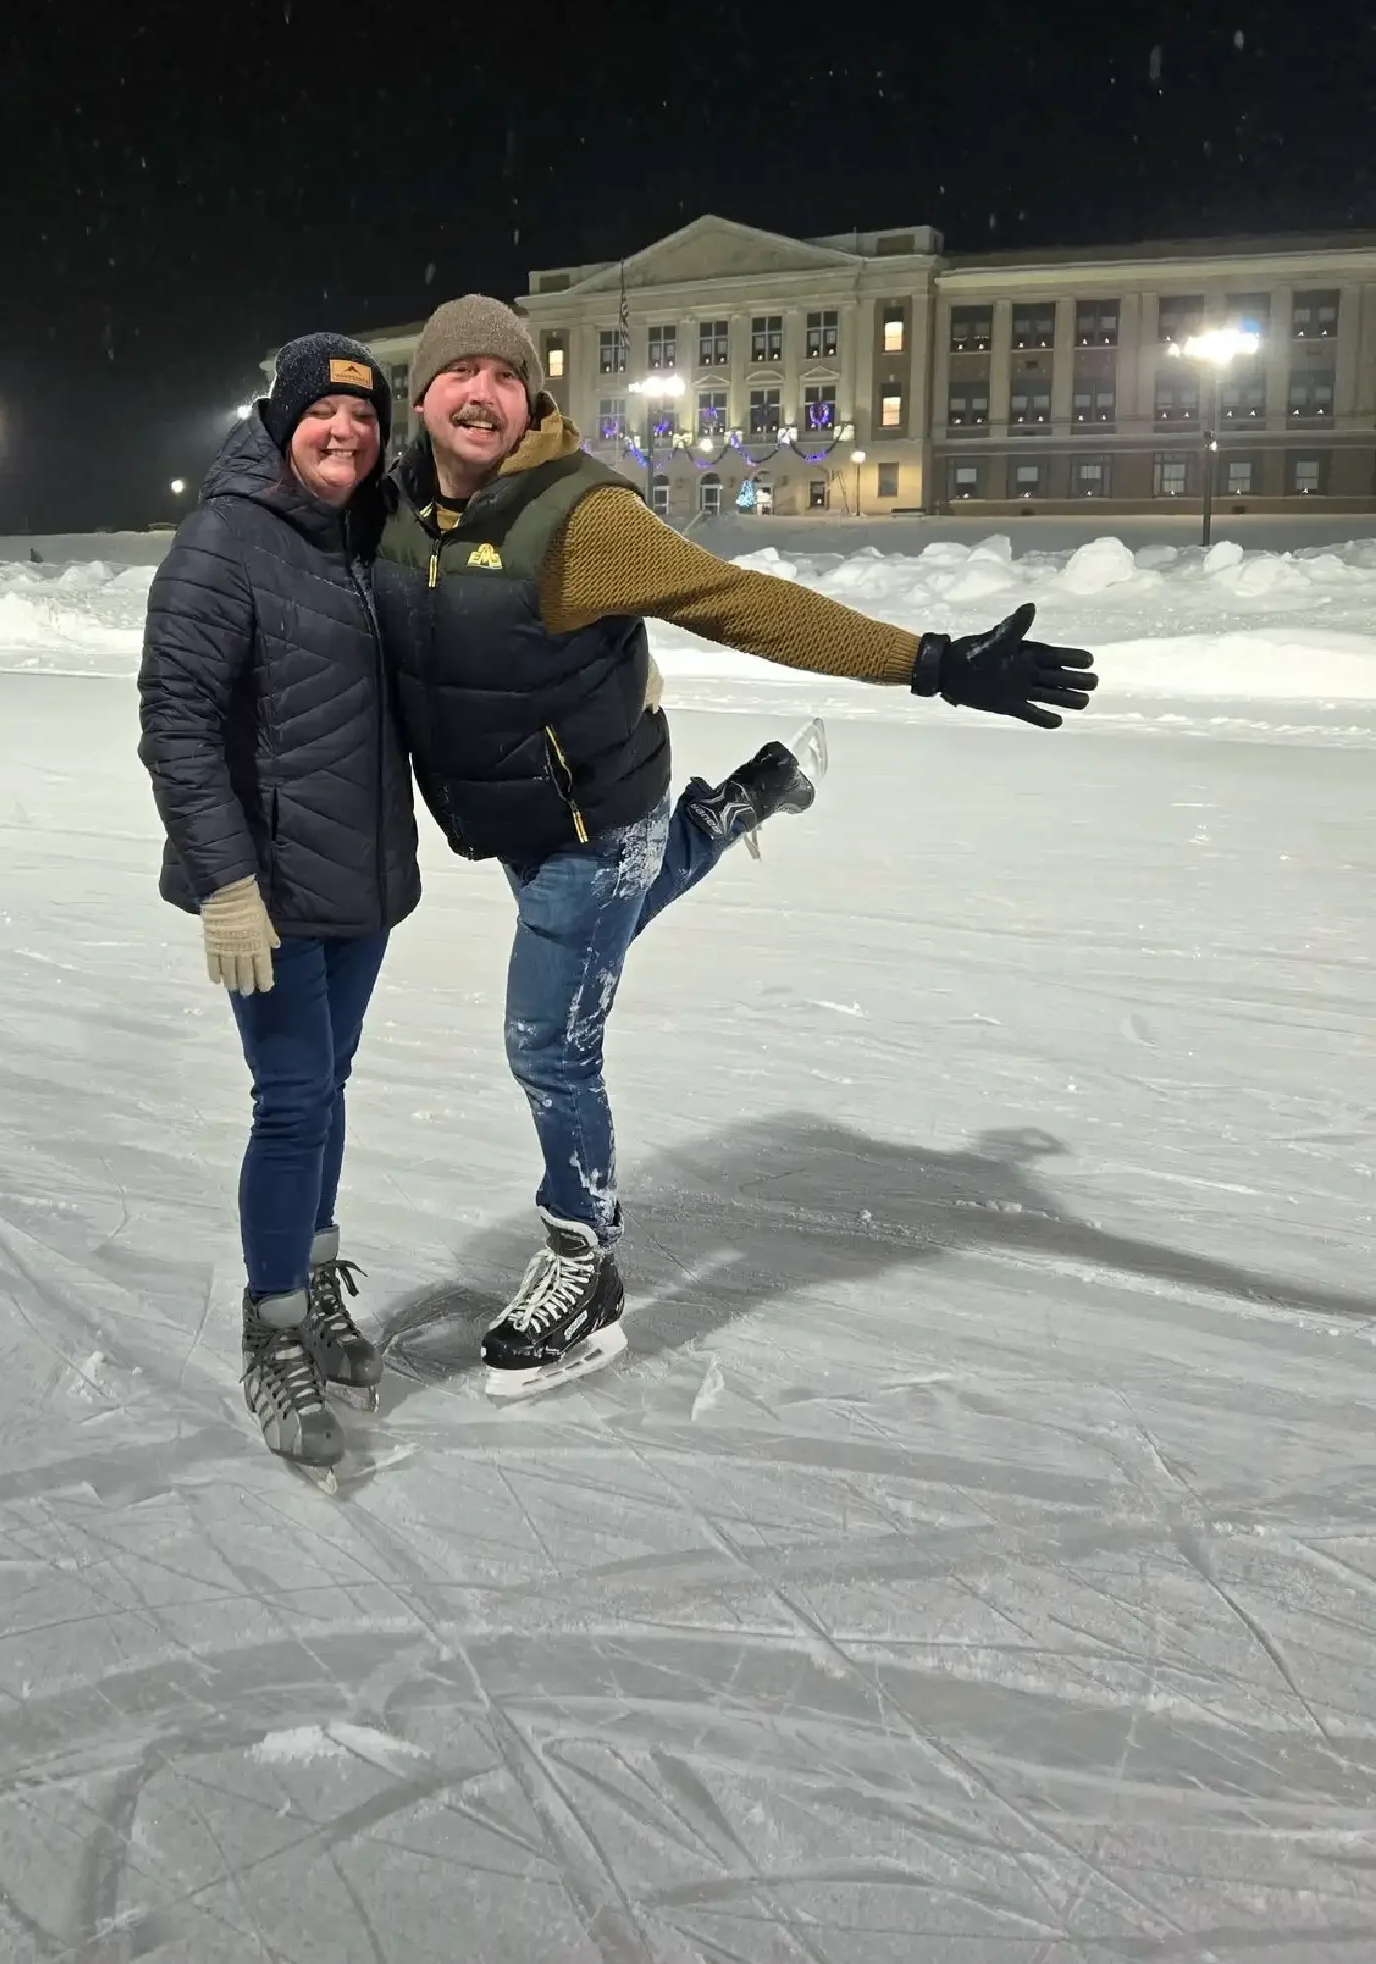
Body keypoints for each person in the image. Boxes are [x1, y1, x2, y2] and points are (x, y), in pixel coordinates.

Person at [370, 293, 1098, 1397]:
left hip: (594, 820)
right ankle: (745, 801)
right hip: (522, 814)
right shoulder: (395, 511)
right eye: (457, 373)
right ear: (419, 396)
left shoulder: (580, 520)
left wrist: (934, 661)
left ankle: (585, 1258)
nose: (481, 392)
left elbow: (741, 600)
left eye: (506, 376)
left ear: (532, 401)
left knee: (549, 1041)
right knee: (623, 913)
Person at [138, 334, 419, 1474]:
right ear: (281, 420)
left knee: (329, 1086)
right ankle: (274, 1324)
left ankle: (312, 1275)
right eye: (322, 416)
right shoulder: (223, 539)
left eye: (362, 417)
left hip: (360, 877)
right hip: (270, 883)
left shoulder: (371, 530)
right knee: (295, 1097)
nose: (343, 432)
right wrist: (226, 883)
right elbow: (177, 721)